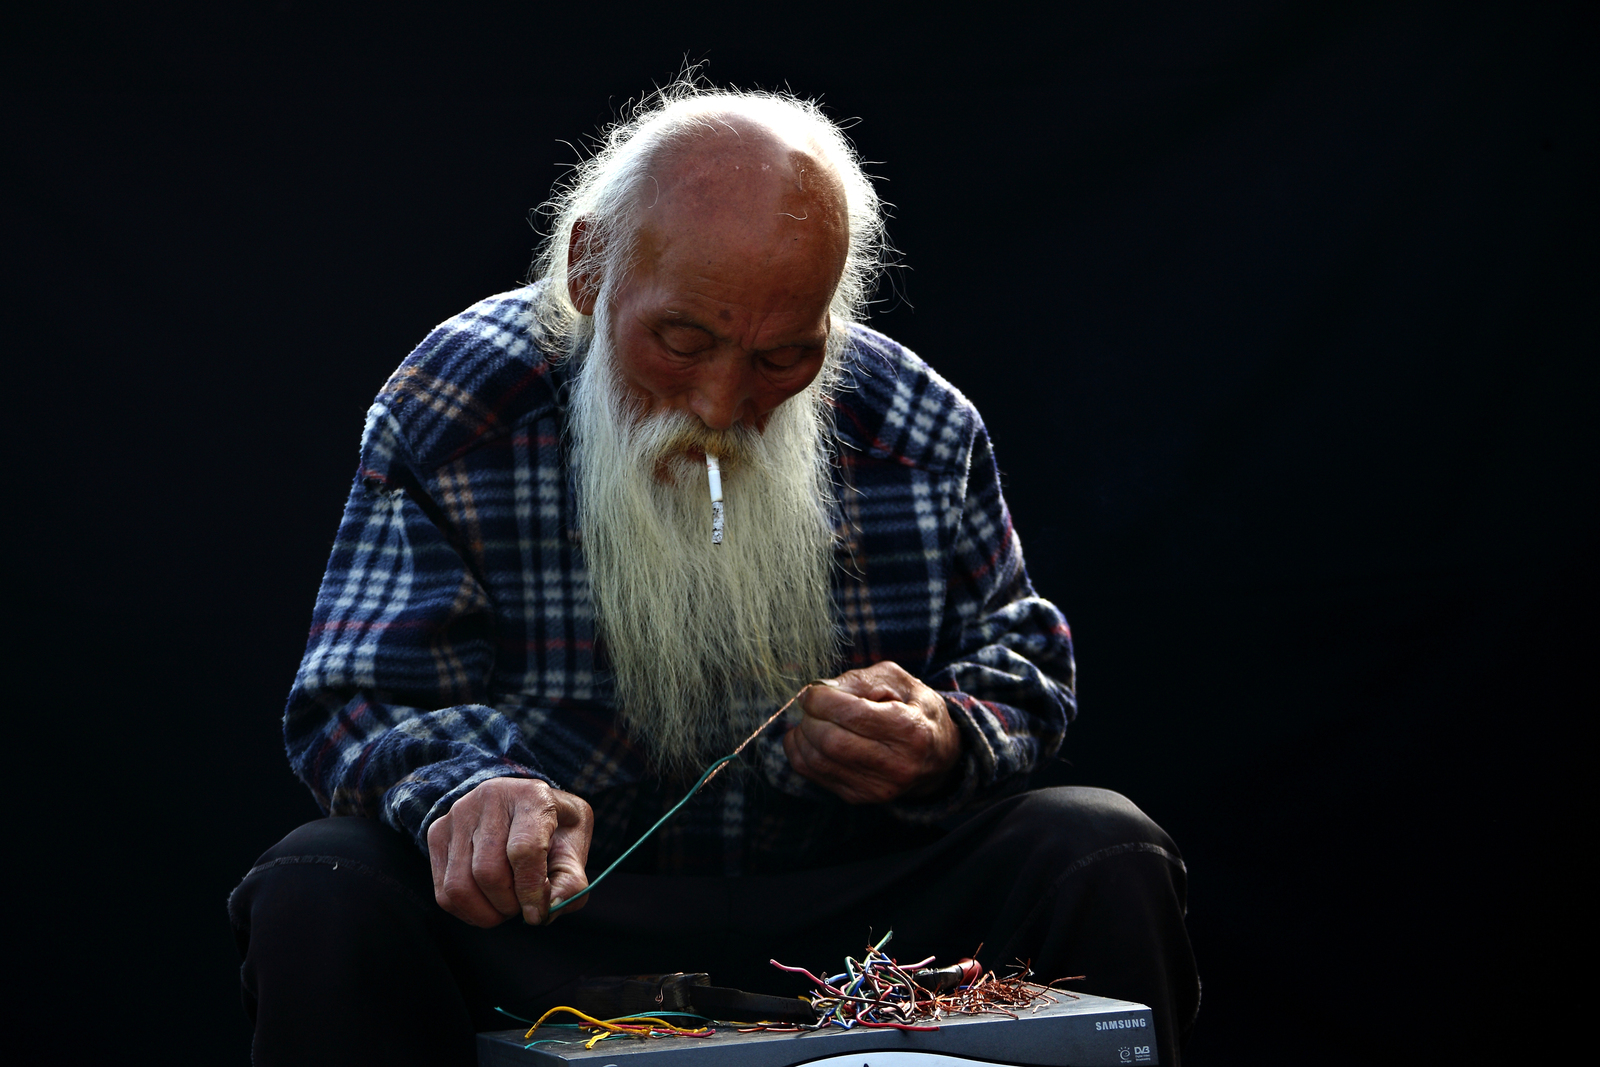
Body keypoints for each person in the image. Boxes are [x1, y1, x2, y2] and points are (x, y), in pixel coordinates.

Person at [230, 83, 1199, 1065]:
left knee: (1101, 846)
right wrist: (476, 792)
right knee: (323, 880)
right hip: (562, 926)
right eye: (682, 340)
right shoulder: (465, 399)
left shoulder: (914, 424)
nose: (722, 403)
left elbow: (1022, 665)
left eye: (784, 357)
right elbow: (356, 696)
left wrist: (944, 734)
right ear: (588, 270)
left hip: (862, 928)